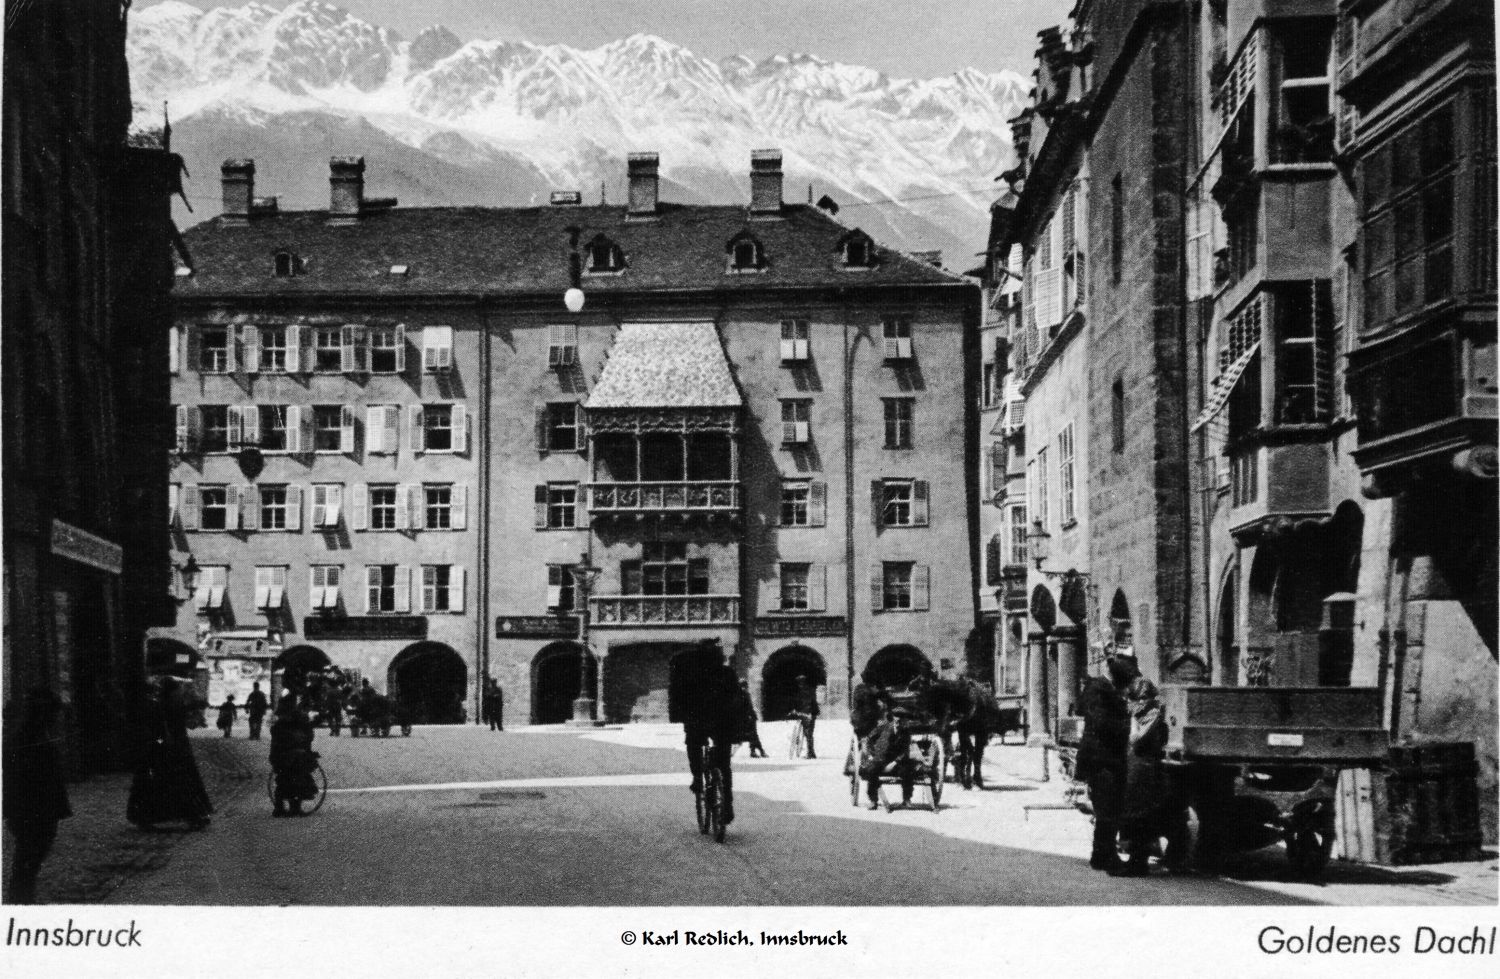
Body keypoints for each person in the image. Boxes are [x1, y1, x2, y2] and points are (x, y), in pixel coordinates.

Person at [3, 688, 72, 904]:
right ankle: (20, 900)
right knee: (29, 855)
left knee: (28, 855)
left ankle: (22, 897)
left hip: (29, 808)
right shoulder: (35, 742)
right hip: (36, 809)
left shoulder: (25, 738)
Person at [1075, 652, 1137, 871]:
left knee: (1110, 809)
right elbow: (1101, 723)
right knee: (1107, 810)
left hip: (1109, 758)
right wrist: (1128, 726)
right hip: (1101, 759)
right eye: (1127, 681)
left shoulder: (1106, 690)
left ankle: (1099, 856)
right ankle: (1108, 857)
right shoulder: (1097, 691)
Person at [127, 676, 213, 830]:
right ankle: (191, 816)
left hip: (169, 747)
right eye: (177, 690)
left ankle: (188, 816)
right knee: (176, 782)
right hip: (170, 748)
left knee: (168, 783)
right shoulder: (164, 705)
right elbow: (170, 726)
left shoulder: (166, 704)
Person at [669, 641, 739, 824]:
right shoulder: (726, 673)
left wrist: (679, 716)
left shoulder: (689, 674)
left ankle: (698, 777)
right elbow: (737, 698)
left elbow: (678, 697)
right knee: (724, 765)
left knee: (693, 744)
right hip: (722, 722)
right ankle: (728, 805)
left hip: (698, 720)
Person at [1113, 674, 1172, 877]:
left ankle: (1138, 865)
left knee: (1141, 818)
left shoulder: (1153, 714)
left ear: (1144, 699)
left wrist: (1131, 722)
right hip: (1137, 769)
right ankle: (1135, 862)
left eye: (1134, 700)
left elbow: (1136, 740)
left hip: (1146, 771)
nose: (1130, 704)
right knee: (1134, 816)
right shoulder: (1142, 714)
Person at [268, 694, 319, 817]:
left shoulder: (283, 721)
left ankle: (282, 808)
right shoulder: (296, 719)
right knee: (295, 780)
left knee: (285, 781)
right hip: (292, 756)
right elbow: (307, 736)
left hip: (286, 755)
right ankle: (292, 807)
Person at [792, 674, 819, 759]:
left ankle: (810, 753)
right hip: (811, 713)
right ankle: (812, 752)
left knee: (808, 733)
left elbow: (807, 703)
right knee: (809, 733)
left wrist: (802, 712)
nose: (799, 684)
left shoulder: (804, 691)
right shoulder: (809, 689)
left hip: (809, 713)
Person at [738, 681, 766, 757]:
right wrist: (752, 716)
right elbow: (749, 707)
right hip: (749, 717)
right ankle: (759, 751)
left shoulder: (739, 694)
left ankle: (756, 751)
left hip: (746, 717)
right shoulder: (745, 694)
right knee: (753, 734)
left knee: (753, 734)